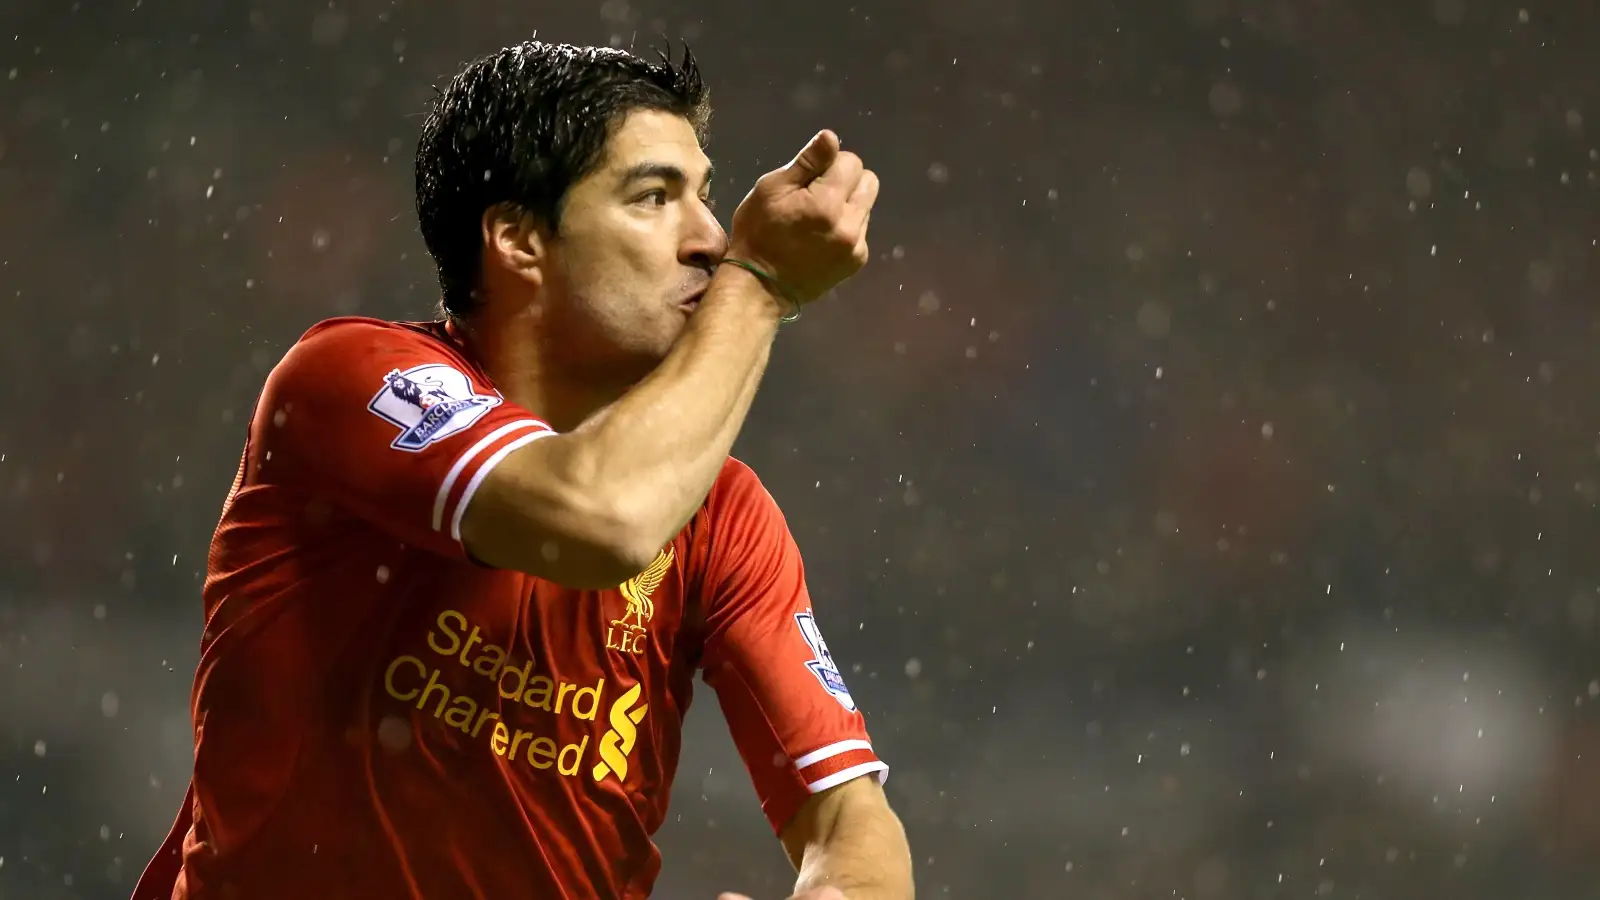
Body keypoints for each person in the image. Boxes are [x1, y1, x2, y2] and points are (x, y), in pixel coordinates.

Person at [130, 39, 911, 900]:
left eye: (708, 197)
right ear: (519, 241)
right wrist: (759, 285)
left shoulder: (724, 513)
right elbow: (596, 521)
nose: (713, 241)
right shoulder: (352, 379)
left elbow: (847, 820)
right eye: (654, 197)